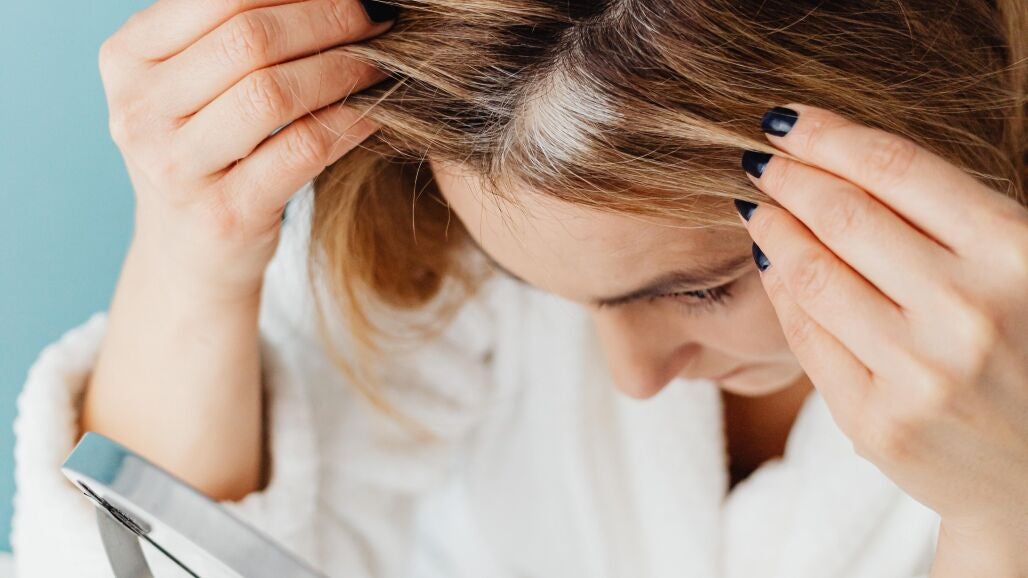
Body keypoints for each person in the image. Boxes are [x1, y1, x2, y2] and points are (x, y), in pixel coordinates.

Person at [11, 0, 1027, 576]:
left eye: (702, 288)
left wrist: (1002, 517)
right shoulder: (428, 254)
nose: (630, 378)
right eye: (546, 289)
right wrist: (193, 248)